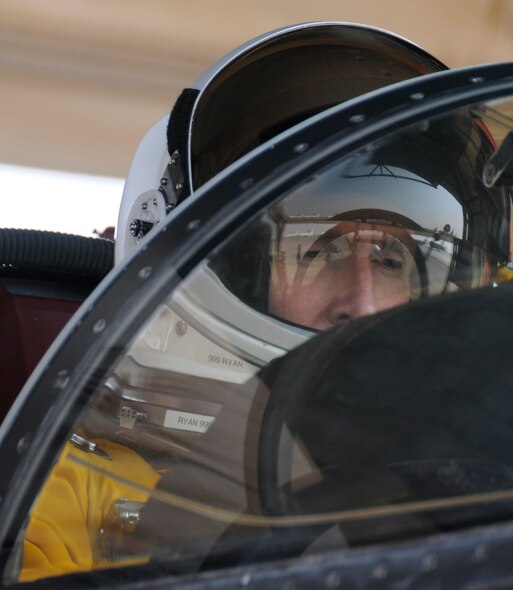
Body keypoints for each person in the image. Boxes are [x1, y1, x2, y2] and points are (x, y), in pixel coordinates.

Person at [16, 21, 457, 582]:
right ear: (231, 266)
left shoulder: (456, 480)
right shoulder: (52, 485)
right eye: (320, 252)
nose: (363, 305)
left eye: (392, 260)